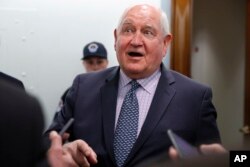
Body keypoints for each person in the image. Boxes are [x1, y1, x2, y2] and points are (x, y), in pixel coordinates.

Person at [45, 4, 225, 167]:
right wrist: (61, 152)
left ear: (165, 44)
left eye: (148, 32)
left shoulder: (195, 97)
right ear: (116, 38)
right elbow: (45, 146)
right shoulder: (82, 87)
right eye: (128, 30)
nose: (136, 41)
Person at [57, 41, 108, 111]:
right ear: (84, 64)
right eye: (90, 62)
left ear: (107, 63)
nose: (95, 67)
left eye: (99, 62)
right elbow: (59, 121)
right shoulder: (71, 93)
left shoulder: (118, 91)